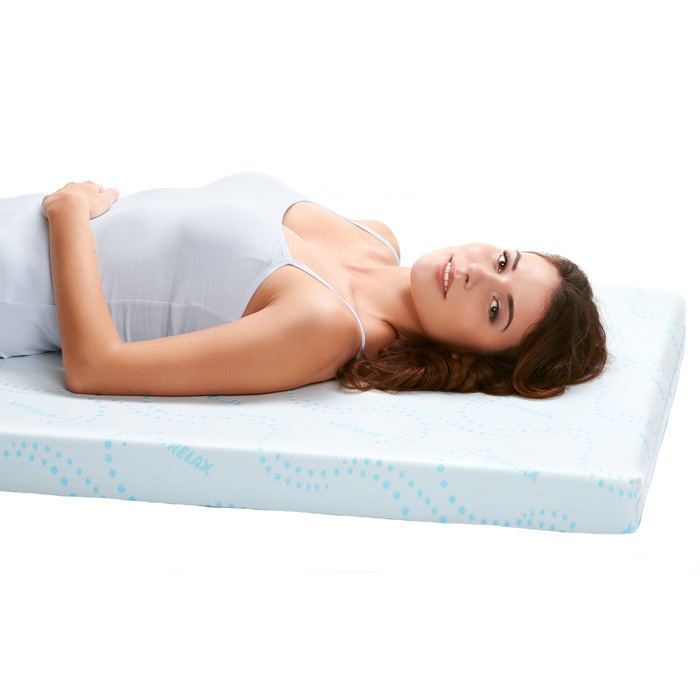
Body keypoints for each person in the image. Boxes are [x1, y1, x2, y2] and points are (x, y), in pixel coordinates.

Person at [0, 172, 607, 399]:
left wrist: (69, 213)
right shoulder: (375, 238)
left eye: (496, 308)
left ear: (471, 358)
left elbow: (97, 368)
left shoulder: (324, 326)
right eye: (503, 259)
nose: (477, 274)